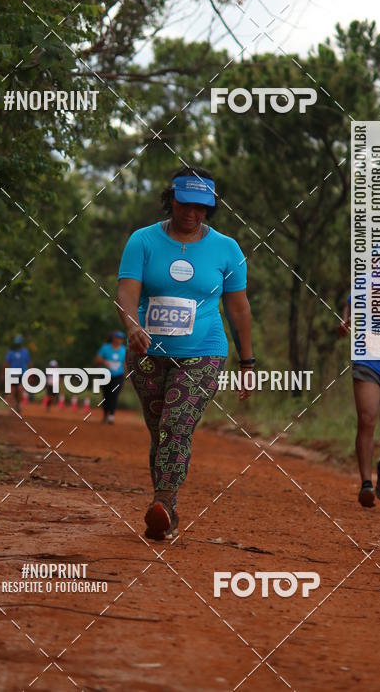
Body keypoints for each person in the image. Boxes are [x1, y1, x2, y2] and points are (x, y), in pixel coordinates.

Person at [116, 167, 255, 541]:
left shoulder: (227, 249)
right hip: (147, 354)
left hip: (203, 352)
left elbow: (238, 308)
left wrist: (247, 361)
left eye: (202, 208)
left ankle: (164, 504)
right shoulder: (142, 241)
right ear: (171, 199)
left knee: (177, 425)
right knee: (160, 430)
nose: (192, 214)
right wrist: (133, 326)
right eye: (186, 205)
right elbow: (128, 291)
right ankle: (164, 505)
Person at [338, 248, 380, 508]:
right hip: (366, 360)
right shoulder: (359, 288)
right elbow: (347, 314)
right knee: (367, 419)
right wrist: (345, 324)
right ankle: (365, 483)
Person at [95, 331, 126, 424]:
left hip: (118, 376)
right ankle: (105, 414)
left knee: (114, 395)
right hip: (105, 375)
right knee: (106, 395)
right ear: (113, 338)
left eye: (121, 339)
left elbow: (126, 363)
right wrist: (104, 362)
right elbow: (97, 360)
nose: (118, 340)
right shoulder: (105, 348)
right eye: (117, 338)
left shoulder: (124, 350)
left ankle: (111, 415)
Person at [2, 334, 30, 415]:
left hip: (22, 373)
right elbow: (6, 363)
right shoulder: (11, 352)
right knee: (13, 390)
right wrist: (4, 373)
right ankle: (13, 406)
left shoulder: (25, 352)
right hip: (13, 373)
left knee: (20, 389)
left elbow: (29, 363)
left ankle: (18, 405)